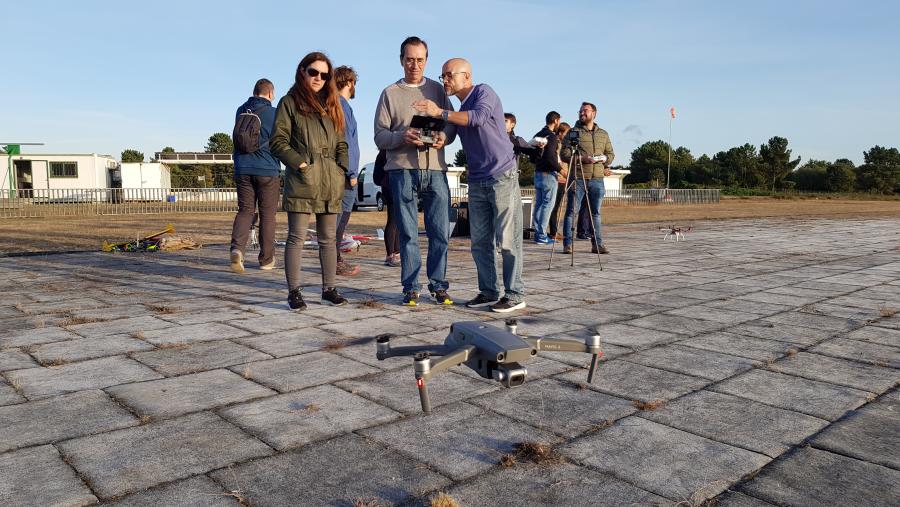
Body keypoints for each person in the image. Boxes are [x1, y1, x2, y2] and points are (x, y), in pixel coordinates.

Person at [413, 58, 526, 313]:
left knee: (508, 240)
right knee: (480, 242)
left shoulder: (484, 92)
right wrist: (440, 137)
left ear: (466, 76)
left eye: (449, 75)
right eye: (442, 76)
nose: (444, 80)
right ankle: (488, 291)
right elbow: (452, 128)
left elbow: (477, 118)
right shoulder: (459, 106)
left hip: (501, 176)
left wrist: (438, 112)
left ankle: (515, 294)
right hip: (476, 179)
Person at [374, 36, 457, 307]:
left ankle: (439, 285)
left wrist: (445, 136)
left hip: (434, 169)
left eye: (420, 59)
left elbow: (452, 124)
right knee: (408, 233)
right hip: (402, 170)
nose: (414, 65)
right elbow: (379, 137)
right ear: (401, 60)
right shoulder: (389, 93)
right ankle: (411, 288)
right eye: (409, 59)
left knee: (439, 232)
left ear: (426, 61)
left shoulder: (437, 90)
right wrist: (402, 136)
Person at [270, 52, 350, 310]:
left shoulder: (332, 105)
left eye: (324, 75)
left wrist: (341, 167)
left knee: (328, 238)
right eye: (313, 72)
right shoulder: (289, 102)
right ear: (302, 71)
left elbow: (341, 142)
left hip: (330, 179)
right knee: (297, 237)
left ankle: (329, 289)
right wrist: (301, 164)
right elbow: (278, 141)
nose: (318, 78)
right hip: (304, 179)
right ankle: (294, 291)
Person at [230, 78, 280, 273]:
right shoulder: (274, 113)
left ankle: (237, 249)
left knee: (245, 211)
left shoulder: (240, 110)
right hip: (267, 170)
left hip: (242, 168)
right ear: (269, 93)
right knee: (268, 216)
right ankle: (266, 260)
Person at [561, 102, 614, 255]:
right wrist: (583, 158)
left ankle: (597, 244)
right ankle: (568, 244)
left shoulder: (603, 134)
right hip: (578, 177)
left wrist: (605, 159)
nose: (582, 113)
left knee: (595, 213)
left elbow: (611, 154)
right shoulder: (573, 132)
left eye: (585, 111)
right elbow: (564, 154)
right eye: (580, 111)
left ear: (594, 113)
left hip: (597, 178)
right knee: (572, 211)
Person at [333, 65, 361, 277]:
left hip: (342, 172)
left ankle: (335, 259)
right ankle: (334, 261)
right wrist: (351, 173)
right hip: (344, 175)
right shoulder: (341, 106)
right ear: (349, 82)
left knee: (339, 220)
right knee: (338, 220)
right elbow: (345, 142)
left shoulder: (340, 105)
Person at [531, 111, 561, 244]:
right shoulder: (552, 137)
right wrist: (561, 170)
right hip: (548, 174)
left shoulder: (538, 134)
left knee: (539, 204)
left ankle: (538, 234)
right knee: (547, 205)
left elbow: (532, 157)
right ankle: (542, 235)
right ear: (556, 121)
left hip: (537, 173)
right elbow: (551, 158)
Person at [372, 150, 400, 267]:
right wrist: (387, 180)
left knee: (398, 221)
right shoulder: (384, 154)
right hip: (390, 187)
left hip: (396, 187)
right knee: (393, 220)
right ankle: (390, 254)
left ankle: (397, 252)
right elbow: (376, 177)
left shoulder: (386, 153)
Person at [548, 121, 570, 240]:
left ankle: (553, 231)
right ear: (560, 132)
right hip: (559, 178)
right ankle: (553, 232)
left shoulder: (561, 144)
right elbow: (556, 160)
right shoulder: (557, 144)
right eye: (567, 133)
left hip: (563, 178)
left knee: (556, 206)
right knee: (554, 207)